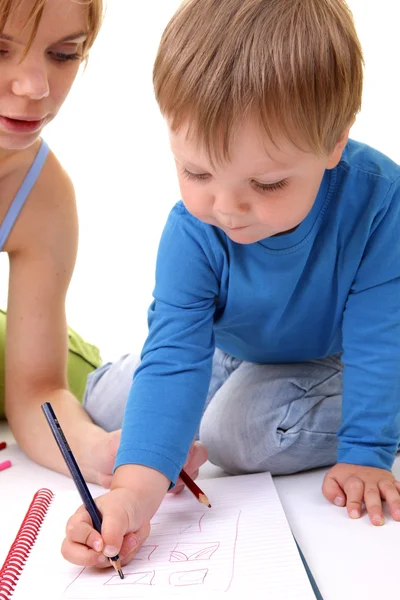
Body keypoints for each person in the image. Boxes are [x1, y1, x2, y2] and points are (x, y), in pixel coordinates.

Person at [62, 0, 400, 571]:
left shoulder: (378, 201)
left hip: (335, 356)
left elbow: (379, 336)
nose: (225, 208)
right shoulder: (194, 228)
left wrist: (368, 452)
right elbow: (174, 357)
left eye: (266, 184)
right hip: (232, 347)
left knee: (235, 434)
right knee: (106, 401)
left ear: (334, 145)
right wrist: (131, 497)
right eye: (196, 173)